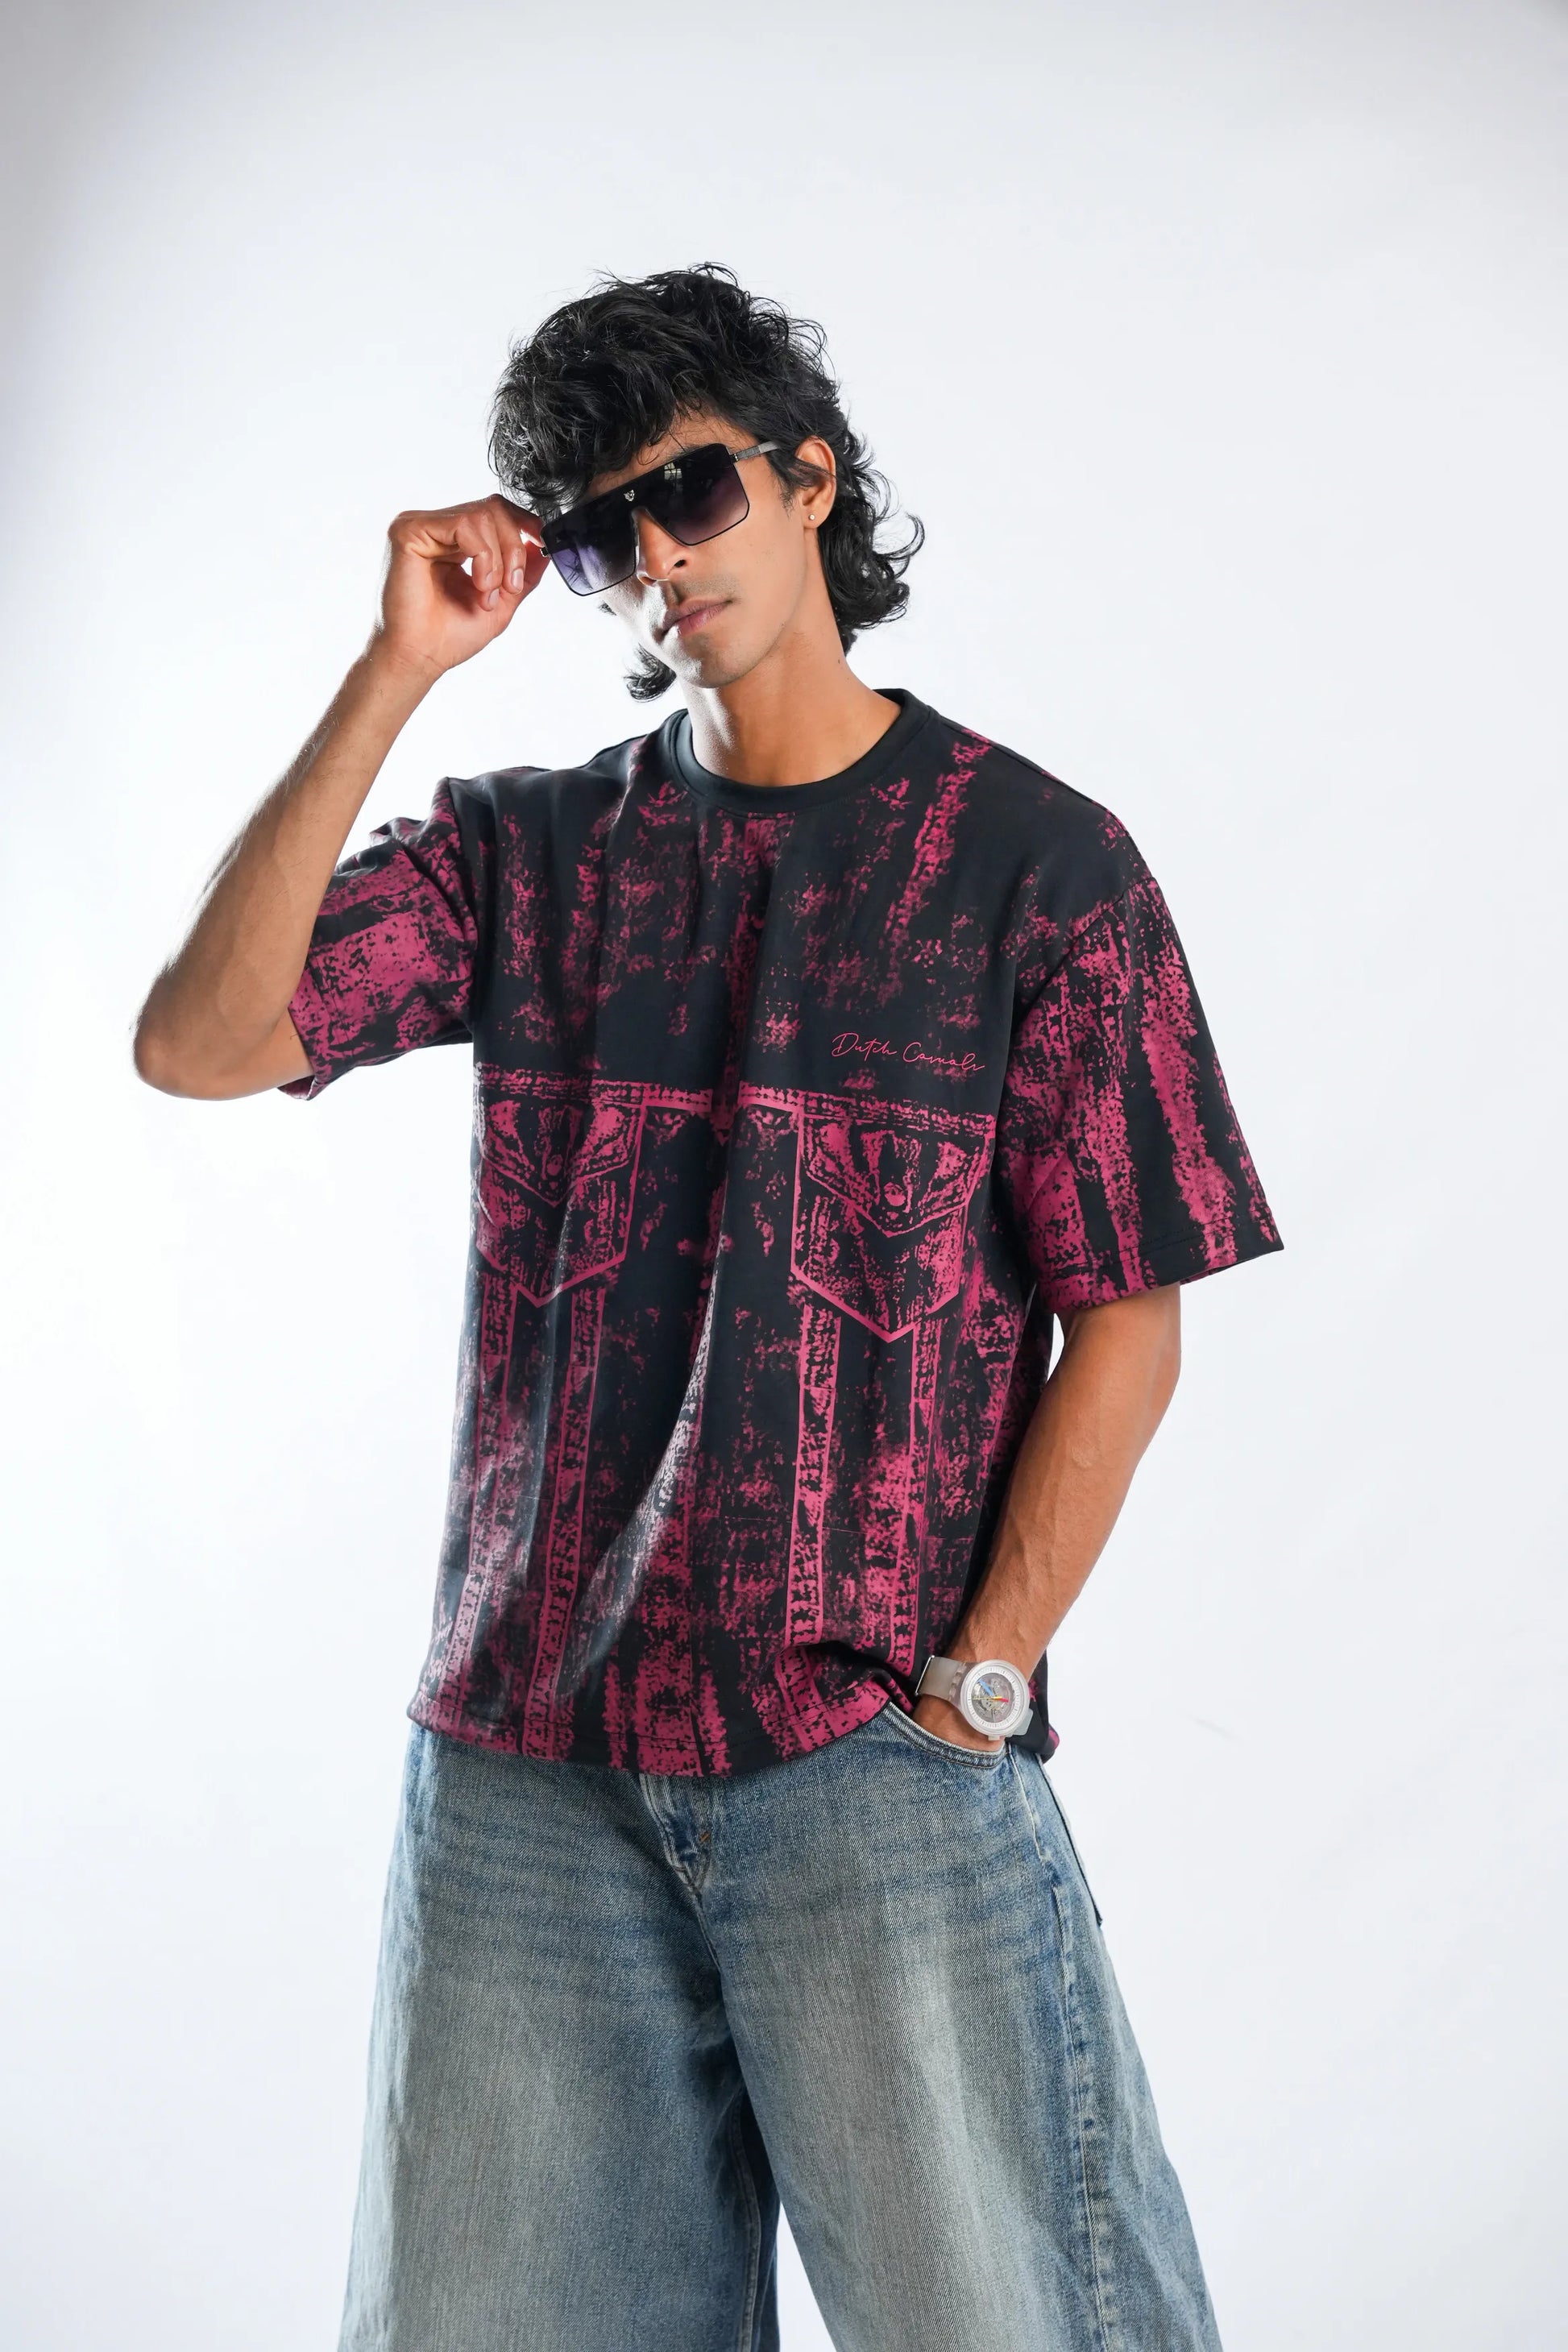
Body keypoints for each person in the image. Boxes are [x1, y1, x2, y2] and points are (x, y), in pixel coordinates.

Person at [134, 263, 1281, 2351]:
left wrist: (979, 1685)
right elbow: (203, 1041)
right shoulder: (530, 855)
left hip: (871, 1752)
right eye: (601, 535)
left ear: (808, 480)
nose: (658, 560)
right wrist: (397, 672)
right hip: (526, 1775)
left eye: (690, 492)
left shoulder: (1040, 870)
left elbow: (1131, 1308)